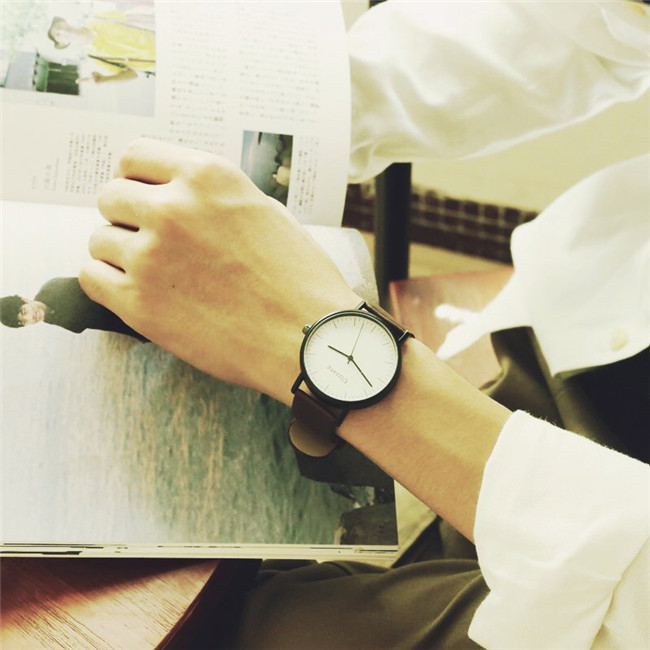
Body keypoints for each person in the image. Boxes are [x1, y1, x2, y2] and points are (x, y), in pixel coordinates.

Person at [78, 2, 649, 648]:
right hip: (573, 339)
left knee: (177, 619)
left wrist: (308, 332)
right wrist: (266, 116)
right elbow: (589, 23)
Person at [0, 277, 145, 340]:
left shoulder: (53, 288)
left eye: (24, 311)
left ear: (24, 299)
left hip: (127, 303)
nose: (31, 318)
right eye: (24, 322)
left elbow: (98, 285)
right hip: (125, 324)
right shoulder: (49, 319)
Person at [47, 13, 155, 84]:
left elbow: (133, 17)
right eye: (57, 34)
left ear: (64, 21)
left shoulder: (97, 18)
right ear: (63, 44)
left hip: (161, 38)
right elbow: (132, 74)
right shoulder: (93, 57)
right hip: (157, 64)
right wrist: (105, 79)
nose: (62, 31)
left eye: (58, 26)